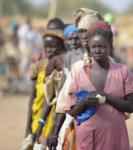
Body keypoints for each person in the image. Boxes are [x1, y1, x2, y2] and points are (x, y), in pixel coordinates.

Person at [66, 20, 133, 150]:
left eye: (102, 46)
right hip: (88, 137)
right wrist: (84, 101)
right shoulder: (80, 74)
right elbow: (72, 110)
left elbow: (130, 106)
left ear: (110, 46)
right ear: (89, 47)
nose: (97, 50)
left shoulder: (122, 71)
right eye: (94, 46)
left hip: (114, 137)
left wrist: (106, 97)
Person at [48, 9, 104, 150]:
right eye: (81, 31)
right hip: (78, 125)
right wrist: (55, 132)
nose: (84, 35)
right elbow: (63, 101)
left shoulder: (113, 66)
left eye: (88, 30)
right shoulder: (76, 65)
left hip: (104, 128)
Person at [20, 18, 65, 150]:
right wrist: (28, 127)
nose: (49, 50)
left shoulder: (64, 67)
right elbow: (33, 98)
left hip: (55, 120)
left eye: (53, 46)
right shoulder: (38, 66)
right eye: (47, 47)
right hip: (38, 117)